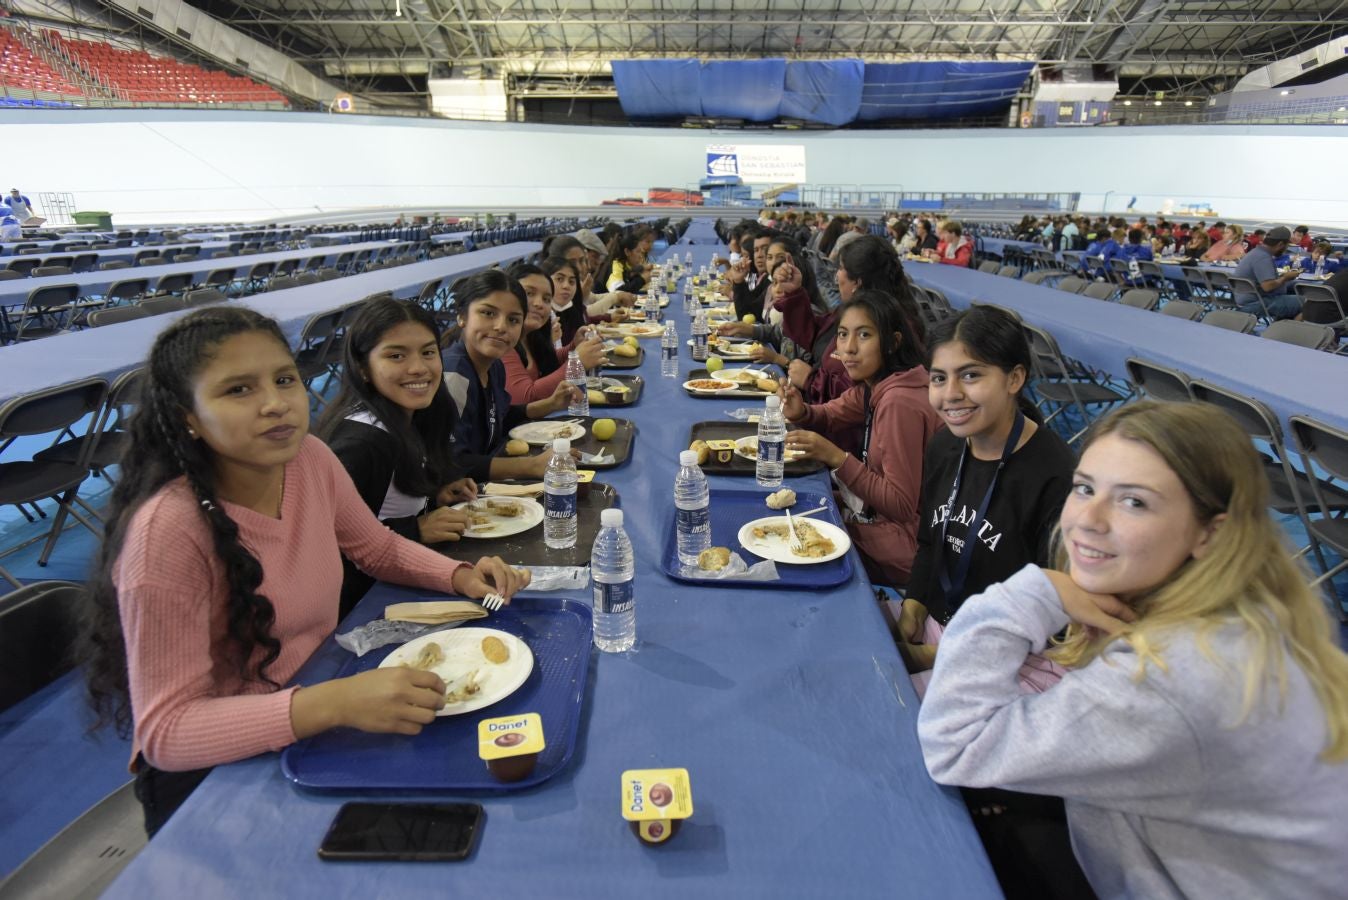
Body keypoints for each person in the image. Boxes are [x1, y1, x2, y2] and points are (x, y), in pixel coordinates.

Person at [82, 307, 529, 835]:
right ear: (188, 416)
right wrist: (329, 703)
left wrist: (458, 576)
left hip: (316, 706)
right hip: (220, 780)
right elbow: (167, 732)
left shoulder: (310, 459)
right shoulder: (168, 533)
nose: (276, 404)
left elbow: (376, 547)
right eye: (238, 390)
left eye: (284, 379)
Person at [918, 400, 1348, 900]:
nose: (1087, 521)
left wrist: (1033, 593)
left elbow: (955, 746)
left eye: (1134, 502)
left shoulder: (1170, 676)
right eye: (1085, 488)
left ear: (1211, 533)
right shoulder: (1239, 605)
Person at [896, 306, 1076, 690]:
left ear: (1014, 378)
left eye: (971, 375)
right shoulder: (946, 445)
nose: (951, 395)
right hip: (941, 626)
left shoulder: (1056, 476)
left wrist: (930, 656)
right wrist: (912, 607)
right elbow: (932, 542)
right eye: (939, 378)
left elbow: (1054, 619)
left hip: (1011, 661)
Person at [315, 298, 479, 616]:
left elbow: (384, 506)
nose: (418, 367)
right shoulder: (363, 444)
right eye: (396, 355)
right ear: (363, 367)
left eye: (428, 352)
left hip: (404, 574)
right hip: (367, 605)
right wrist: (415, 528)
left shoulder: (415, 414)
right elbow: (331, 549)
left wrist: (433, 496)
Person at [778, 289, 942, 586]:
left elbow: (901, 504)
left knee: (797, 543)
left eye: (864, 335)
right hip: (883, 520)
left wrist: (836, 457)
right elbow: (828, 414)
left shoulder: (899, 402)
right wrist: (801, 412)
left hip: (916, 543)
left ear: (893, 342)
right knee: (799, 514)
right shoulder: (877, 385)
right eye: (842, 334)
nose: (849, 348)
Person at [440, 269, 580, 479]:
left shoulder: (494, 366)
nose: (500, 327)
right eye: (488, 313)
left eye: (513, 320)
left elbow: (497, 417)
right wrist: (531, 466)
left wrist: (549, 404)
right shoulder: (454, 374)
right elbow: (451, 462)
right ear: (462, 316)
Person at [502, 261, 605, 403]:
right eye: (529, 293)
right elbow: (524, 397)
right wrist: (576, 364)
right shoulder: (502, 342)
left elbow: (549, 360)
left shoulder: (530, 336)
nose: (539, 303)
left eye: (546, 299)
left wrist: (574, 345)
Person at [1232, 225, 1301, 320]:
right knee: (1308, 303)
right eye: (1286, 246)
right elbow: (1268, 286)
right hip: (1256, 303)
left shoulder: (1254, 253)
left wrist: (1283, 278)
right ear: (1280, 244)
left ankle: (1280, 326)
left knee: (1294, 287)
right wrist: (1285, 278)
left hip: (1245, 299)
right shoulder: (1263, 258)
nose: (1286, 249)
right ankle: (1287, 332)